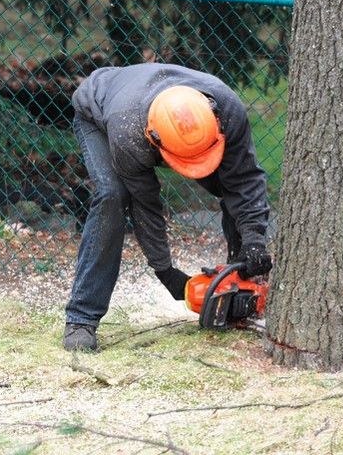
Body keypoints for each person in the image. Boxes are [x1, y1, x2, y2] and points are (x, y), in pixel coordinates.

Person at [63, 63, 273, 351]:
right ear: (154, 140)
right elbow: (144, 206)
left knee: (232, 183)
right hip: (100, 111)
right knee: (113, 196)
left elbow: (245, 180)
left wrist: (254, 243)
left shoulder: (226, 108)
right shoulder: (130, 135)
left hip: (154, 107)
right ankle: (81, 318)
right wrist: (166, 272)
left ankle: (241, 286)